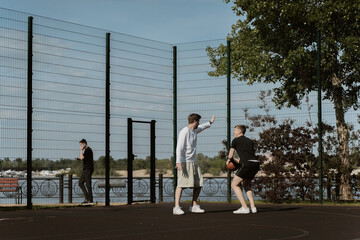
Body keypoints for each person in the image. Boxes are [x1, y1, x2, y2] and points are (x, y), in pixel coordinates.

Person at [173, 113, 215, 215]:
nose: (199, 123)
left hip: (193, 162)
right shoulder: (185, 131)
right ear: (195, 121)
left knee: (199, 183)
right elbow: (179, 147)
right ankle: (176, 207)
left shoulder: (194, 131)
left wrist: (210, 122)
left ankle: (194, 205)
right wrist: (178, 161)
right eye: (198, 121)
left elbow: (201, 127)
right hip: (184, 162)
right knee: (181, 185)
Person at [227, 125, 260, 214]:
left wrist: (229, 161)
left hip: (247, 164)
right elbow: (248, 155)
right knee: (246, 184)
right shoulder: (250, 141)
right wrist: (238, 161)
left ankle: (244, 207)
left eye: (234, 130)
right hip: (256, 163)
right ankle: (253, 207)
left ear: (240, 132)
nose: (233, 132)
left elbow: (230, 156)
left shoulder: (235, 140)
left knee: (234, 185)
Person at [77, 139, 94, 204]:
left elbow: (82, 157)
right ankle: (87, 197)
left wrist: (81, 150)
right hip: (85, 169)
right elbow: (83, 158)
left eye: (81, 144)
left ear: (84, 144)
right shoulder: (87, 150)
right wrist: (80, 159)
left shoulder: (88, 150)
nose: (80, 146)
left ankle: (90, 199)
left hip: (88, 169)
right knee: (80, 183)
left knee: (88, 184)